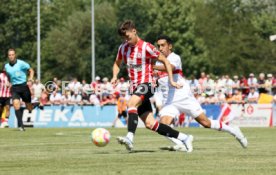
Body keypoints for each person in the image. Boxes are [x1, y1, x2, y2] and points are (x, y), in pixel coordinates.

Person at [153, 35, 248, 152]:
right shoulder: (158, 63)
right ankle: (183, 142)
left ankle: (234, 131)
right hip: (170, 101)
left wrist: (151, 66)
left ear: (170, 46)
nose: (160, 48)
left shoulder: (174, 58)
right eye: (158, 46)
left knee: (206, 123)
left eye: (163, 45)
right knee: (162, 127)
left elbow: (169, 67)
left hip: (183, 97)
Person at [111, 20, 192, 152]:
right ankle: (184, 138)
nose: (126, 40)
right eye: (124, 38)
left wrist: (171, 80)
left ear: (134, 31)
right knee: (151, 124)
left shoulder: (146, 47)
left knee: (131, 104)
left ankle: (130, 138)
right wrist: (115, 76)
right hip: (135, 87)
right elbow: (116, 63)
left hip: (148, 84)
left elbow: (165, 60)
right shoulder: (123, 48)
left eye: (128, 37)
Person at [4, 48, 35, 131]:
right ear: (8, 56)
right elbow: (8, 75)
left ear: (15, 55)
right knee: (16, 105)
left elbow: (31, 70)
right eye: (9, 55)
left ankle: (35, 105)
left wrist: (31, 79)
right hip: (14, 88)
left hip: (24, 87)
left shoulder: (21, 63)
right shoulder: (6, 66)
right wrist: (8, 82)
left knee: (29, 108)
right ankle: (21, 126)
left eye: (12, 54)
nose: (11, 56)